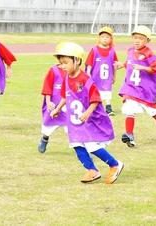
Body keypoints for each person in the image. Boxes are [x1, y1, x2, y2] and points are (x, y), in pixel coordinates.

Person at [50, 42, 124, 184]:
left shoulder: (85, 79)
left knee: (92, 146)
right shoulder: (66, 78)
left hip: (89, 120)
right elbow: (65, 96)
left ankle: (115, 164)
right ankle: (92, 170)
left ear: (77, 61)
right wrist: (57, 109)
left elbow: (96, 99)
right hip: (74, 121)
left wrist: (87, 113)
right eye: (61, 63)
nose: (63, 66)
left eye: (65, 63)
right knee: (76, 145)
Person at [117, 25, 156, 148]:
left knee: (152, 112)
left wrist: (143, 67)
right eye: (135, 38)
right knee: (129, 108)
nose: (137, 40)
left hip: (145, 90)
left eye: (141, 38)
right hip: (131, 87)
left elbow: (155, 69)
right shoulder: (130, 51)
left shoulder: (149, 54)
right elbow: (130, 63)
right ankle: (130, 135)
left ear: (147, 40)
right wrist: (122, 64)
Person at [85, 26, 118, 116]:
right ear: (99, 38)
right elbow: (89, 64)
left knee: (107, 92)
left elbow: (114, 65)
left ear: (111, 39)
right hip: (96, 77)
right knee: (95, 92)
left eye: (107, 37)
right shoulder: (95, 50)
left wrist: (114, 76)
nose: (105, 39)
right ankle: (93, 107)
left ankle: (108, 107)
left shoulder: (112, 51)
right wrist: (88, 74)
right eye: (103, 37)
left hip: (107, 77)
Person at [38, 62, 67, 153]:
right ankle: (45, 138)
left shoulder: (73, 71)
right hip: (54, 103)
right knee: (49, 124)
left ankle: (81, 150)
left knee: (72, 128)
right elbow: (47, 86)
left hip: (68, 104)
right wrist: (48, 101)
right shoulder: (53, 70)